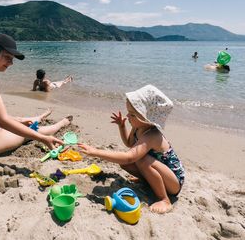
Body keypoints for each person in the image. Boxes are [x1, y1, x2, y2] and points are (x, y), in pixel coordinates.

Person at [78, 85, 185, 214]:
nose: (128, 116)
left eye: (132, 114)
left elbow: (130, 156)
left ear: (147, 118)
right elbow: (129, 143)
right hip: (161, 173)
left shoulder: (152, 135)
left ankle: (164, 199)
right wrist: (122, 127)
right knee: (126, 163)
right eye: (128, 112)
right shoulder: (138, 127)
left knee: (141, 160)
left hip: (173, 182)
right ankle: (148, 180)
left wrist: (95, 152)